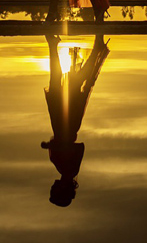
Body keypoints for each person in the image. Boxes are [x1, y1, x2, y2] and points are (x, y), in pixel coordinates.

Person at [41, 34, 110, 206]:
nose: (52, 187)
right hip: (68, 124)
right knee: (68, 83)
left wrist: (52, 145)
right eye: (54, 190)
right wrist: (54, 145)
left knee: (59, 83)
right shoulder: (70, 170)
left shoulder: (66, 170)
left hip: (61, 124)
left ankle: (55, 45)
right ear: (63, 190)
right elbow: (79, 147)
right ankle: (95, 49)